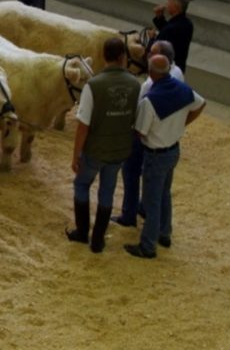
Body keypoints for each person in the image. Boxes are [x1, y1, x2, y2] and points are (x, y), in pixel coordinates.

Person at [124, 54, 205, 259]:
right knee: (164, 194)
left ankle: (148, 246)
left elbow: (140, 132)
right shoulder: (183, 89)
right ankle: (164, 232)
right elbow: (201, 103)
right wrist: (182, 124)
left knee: (151, 200)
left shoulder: (150, 101)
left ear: (151, 73)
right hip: (173, 149)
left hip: (155, 154)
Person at [65, 37, 140, 253]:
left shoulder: (93, 86)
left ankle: (82, 232)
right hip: (120, 149)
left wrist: (76, 154)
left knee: (82, 185)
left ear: (105, 56)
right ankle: (98, 239)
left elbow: (83, 125)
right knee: (107, 191)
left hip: (95, 149)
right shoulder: (136, 84)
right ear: (122, 57)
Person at [114, 40, 184, 228]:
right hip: (165, 136)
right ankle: (151, 217)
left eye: (152, 53)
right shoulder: (177, 73)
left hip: (146, 134)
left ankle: (130, 216)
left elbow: (140, 113)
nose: (147, 56)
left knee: (131, 172)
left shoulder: (151, 85)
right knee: (161, 189)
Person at [152, 0, 193, 73]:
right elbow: (170, 32)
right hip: (179, 68)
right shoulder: (188, 24)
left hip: (167, 70)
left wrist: (152, 38)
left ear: (175, 6)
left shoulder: (171, 28)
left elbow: (156, 48)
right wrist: (160, 18)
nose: (166, 4)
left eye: (169, 2)